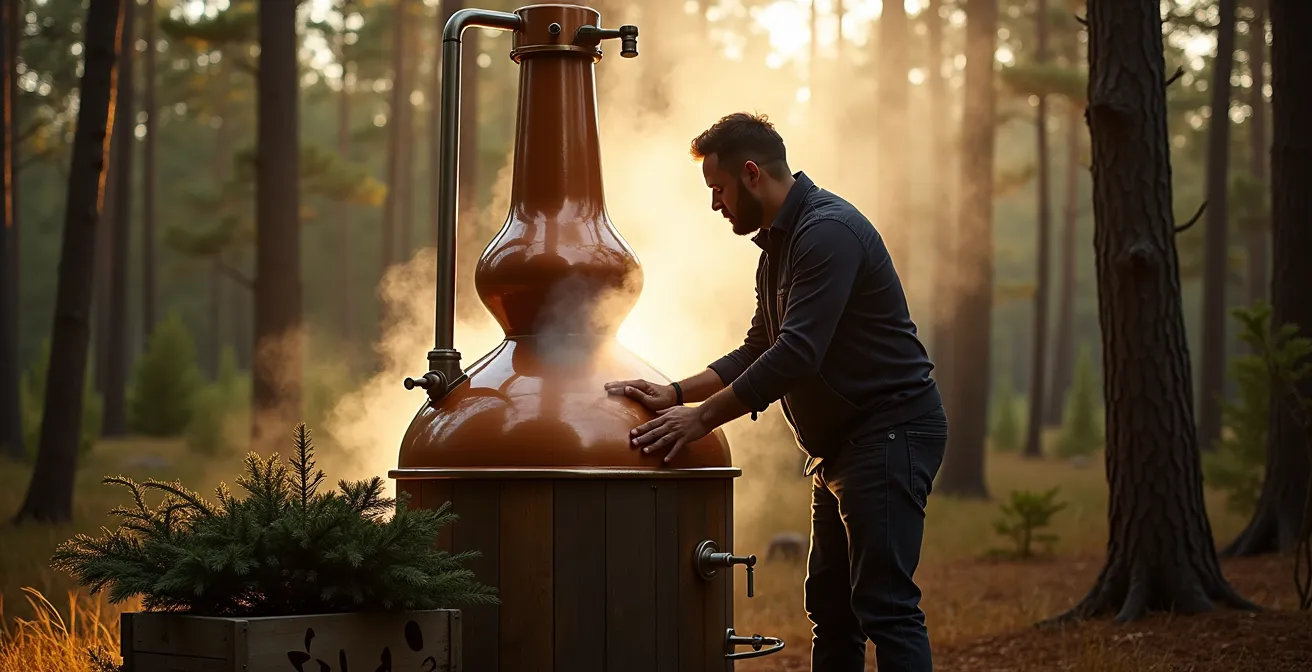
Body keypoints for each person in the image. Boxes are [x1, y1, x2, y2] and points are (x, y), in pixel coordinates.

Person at [604, 112, 947, 672]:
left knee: (885, 606)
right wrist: (675, 393)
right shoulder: (777, 249)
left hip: (890, 432)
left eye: (718, 190)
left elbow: (796, 355)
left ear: (750, 172)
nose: (716, 205)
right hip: (841, 448)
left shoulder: (826, 233)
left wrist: (704, 419)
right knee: (832, 611)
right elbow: (759, 345)